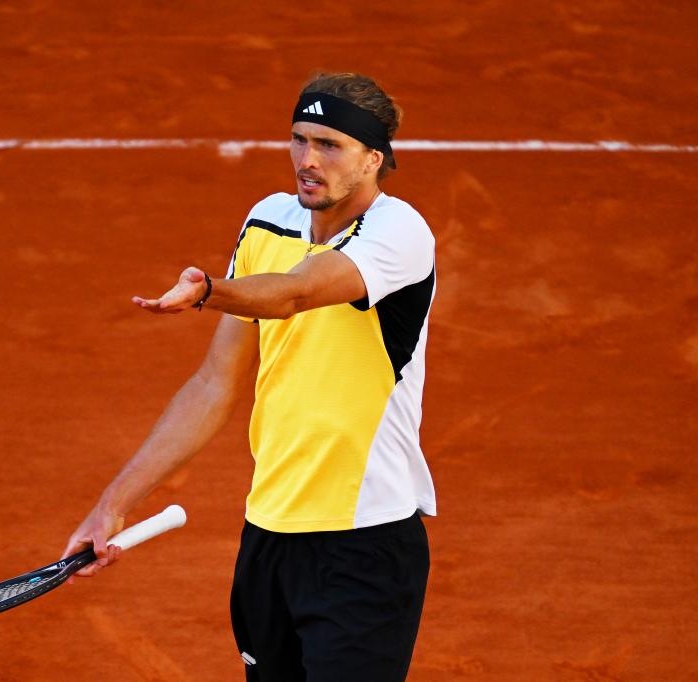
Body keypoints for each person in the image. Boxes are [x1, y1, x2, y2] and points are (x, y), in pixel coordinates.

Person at [63, 72, 437, 681]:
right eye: (299, 139)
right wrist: (114, 505)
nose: (307, 161)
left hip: (363, 544)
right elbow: (215, 383)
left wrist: (211, 290)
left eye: (330, 145)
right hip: (268, 538)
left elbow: (295, 293)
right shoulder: (268, 221)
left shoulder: (399, 234)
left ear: (374, 158)